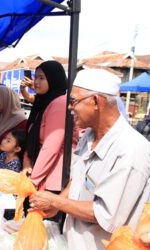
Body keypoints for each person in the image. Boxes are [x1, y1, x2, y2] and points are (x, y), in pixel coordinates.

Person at [29, 69, 150, 250]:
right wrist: (58, 204)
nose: (69, 108)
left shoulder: (130, 150)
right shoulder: (89, 137)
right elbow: (78, 180)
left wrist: (55, 201)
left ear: (95, 101)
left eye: (73, 102)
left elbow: (106, 215)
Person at [23, 60, 78, 192]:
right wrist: (27, 162)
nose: (36, 82)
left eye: (42, 78)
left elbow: (51, 146)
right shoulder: (42, 103)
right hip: (39, 173)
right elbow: (31, 136)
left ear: (54, 79)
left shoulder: (59, 104)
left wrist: (33, 180)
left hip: (52, 181)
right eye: (35, 77)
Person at [0, 86, 27, 158]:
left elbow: (20, 145)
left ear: (6, 100)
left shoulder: (21, 121)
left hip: (8, 163)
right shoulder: (0, 116)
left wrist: (1, 148)